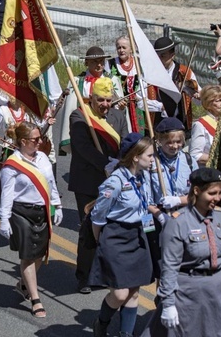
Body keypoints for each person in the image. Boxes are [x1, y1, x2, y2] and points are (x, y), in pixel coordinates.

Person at [141, 168, 221, 336]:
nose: (217, 198)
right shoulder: (178, 222)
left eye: (220, 193)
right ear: (196, 191)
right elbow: (170, 266)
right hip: (189, 292)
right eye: (212, 193)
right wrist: (168, 303)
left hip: (220, 289)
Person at [90, 133, 154, 337]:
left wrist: (150, 234)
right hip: (116, 237)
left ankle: (125, 334)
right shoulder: (116, 182)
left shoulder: (144, 177)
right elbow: (98, 217)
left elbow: (145, 208)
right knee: (119, 293)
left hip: (138, 235)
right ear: (136, 156)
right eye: (150, 155)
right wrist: (101, 241)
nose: (153, 160)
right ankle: (101, 322)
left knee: (134, 292)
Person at [68, 76, 128, 294]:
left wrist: (122, 162)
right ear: (91, 98)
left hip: (113, 182)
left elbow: (125, 142)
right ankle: (83, 277)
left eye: (108, 100)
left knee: (110, 229)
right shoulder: (80, 115)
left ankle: (104, 272)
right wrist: (106, 163)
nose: (105, 105)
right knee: (88, 228)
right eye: (100, 100)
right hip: (88, 181)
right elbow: (82, 147)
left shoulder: (118, 116)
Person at [0, 122, 62, 318]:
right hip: (21, 212)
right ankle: (35, 299)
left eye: (39, 138)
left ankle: (23, 284)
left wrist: (57, 205)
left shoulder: (42, 158)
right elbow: (7, 194)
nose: (39, 142)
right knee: (27, 254)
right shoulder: (12, 165)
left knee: (40, 253)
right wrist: (4, 219)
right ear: (23, 141)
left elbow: (50, 183)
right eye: (35, 140)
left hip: (41, 211)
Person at [145, 117, 198, 280]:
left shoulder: (189, 161)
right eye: (170, 142)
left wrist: (179, 201)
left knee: (186, 265)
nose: (175, 146)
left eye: (178, 142)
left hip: (184, 218)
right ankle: (162, 302)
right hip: (157, 220)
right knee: (162, 268)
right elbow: (143, 199)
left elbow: (199, 194)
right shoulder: (150, 162)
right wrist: (159, 215)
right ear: (159, 140)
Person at [59, 46, 124, 155]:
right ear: (86, 63)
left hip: (106, 125)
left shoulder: (113, 80)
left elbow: (118, 105)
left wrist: (120, 107)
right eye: (94, 62)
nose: (99, 65)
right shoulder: (77, 81)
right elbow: (70, 107)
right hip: (84, 123)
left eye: (101, 61)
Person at [147, 36, 199, 133]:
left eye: (162, 56)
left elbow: (198, 96)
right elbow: (141, 102)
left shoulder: (185, 72)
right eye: (156, 56)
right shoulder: (149, 74)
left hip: (181, 124)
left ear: (172, 55)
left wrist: (197, 95)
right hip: (157, 125)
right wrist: (161, 106)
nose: (158, 59)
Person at [107, 35, 145, 134]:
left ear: (131, 49)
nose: (121, 50)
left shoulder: (139, 63)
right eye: (119, 47)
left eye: (124, 47)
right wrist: (116, 99)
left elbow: (145, 83)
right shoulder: (110, 64)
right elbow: (107, 85)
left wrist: (139, 96)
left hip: (138, 107)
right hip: (119, 106)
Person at [189, 85, 221, 165]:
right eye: (218, 100)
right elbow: (195, 155)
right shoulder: (200, 125)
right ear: (208, 104)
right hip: (210, 172)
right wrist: (220, 159)